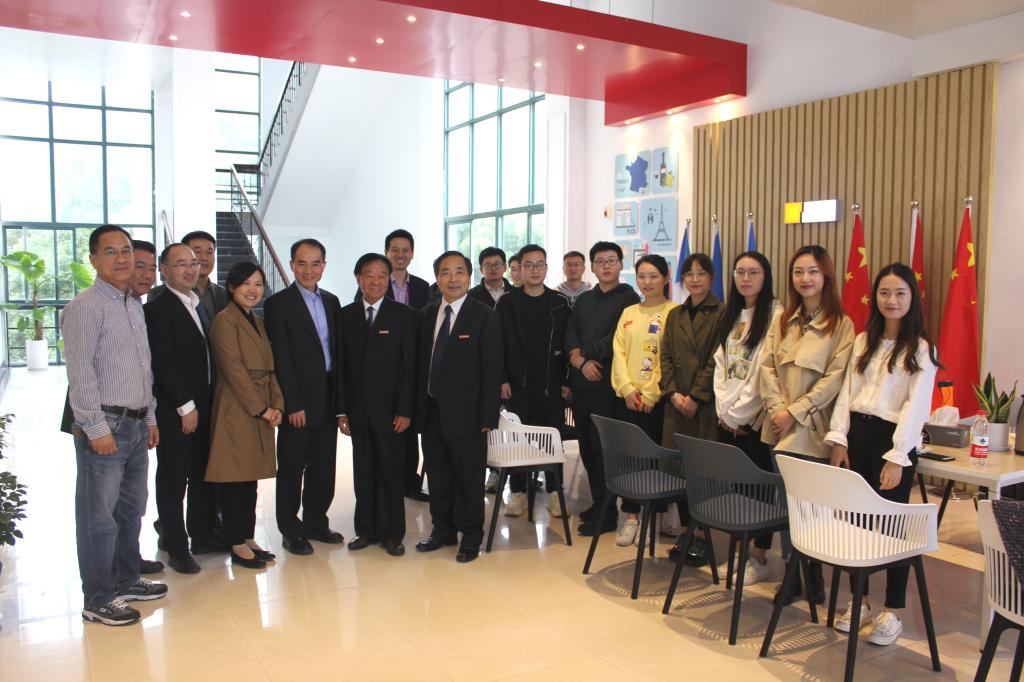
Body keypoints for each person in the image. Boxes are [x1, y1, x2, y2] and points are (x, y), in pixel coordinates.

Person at [825, 263, 939, 645]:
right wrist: (839, 439)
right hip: (856, 436)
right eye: (885, 293)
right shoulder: (863, 340)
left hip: (892, 442)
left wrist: (897, 455)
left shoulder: (921, 348)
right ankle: (860, 601)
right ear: (875, 297)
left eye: (900, 293)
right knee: (856, 523)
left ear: (912, 298)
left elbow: (915, 406)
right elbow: (846, 393)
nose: (891, 300)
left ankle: (893, 611)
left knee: (891, 529)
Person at [62, 224, 167, 626]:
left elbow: (144, 367)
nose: (122, 259)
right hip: (106, 423)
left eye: (126, 250)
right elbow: (80, 374)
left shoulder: (132, 304)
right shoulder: (85, 307)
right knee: (98, 517)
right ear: (93, 260)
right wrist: (95, 427)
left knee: (130, 509)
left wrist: (150, 416)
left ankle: (125, 579)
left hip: (136, 424)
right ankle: (99, 597)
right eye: (111, 252)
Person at [760, 244, 855, 603]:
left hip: (812, 428)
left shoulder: (841, 325)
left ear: (826, 275)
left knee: (812, 507)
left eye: (813, 271)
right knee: (787, 504)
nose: (805, 278)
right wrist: (777, 411)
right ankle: (793, 573)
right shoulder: (781, 320)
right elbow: (766, 368)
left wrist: (795, 412)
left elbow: (835, 379)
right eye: (798, 272)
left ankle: (811, 574)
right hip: (779, 426)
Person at [415, 251, 502, 564]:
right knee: (438, 474)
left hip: (469, 415)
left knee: (468, 477)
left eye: (459, 272)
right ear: (437, 278)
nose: (453, 279)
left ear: (469, 276)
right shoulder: (426, 315)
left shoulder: (484, 316)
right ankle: (443, 529)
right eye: (445, 272)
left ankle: (471, 534)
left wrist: (488, 415)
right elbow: (420, 366)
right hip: (431, 410)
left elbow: (492, 370)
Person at [263, 239, 345, 555]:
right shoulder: (278, 304)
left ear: (324, 265)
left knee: (323, 465)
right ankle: (290, 529)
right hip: (298, 399)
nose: (308, 270)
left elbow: (337, 353)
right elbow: (281, 357)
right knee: (292, 467)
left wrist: (340, 404)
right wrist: (292, 403)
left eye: (315, 263)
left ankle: (316, 522)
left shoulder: (332, 302)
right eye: (301, 263)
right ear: (292, 265)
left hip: (327, 395)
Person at [144, 244, 222, 575]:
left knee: (202, 472)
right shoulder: (158, 308)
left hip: (204, 404)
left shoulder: (196, 304)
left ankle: (202, 536)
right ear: (164, 270)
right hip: (177, 410)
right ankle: (176, 546)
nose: (191, 269)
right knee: (174, 479)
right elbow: (163, 362)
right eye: (181, 264)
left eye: (193, 263)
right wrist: (184, 406)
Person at [337, 253, 418, 557]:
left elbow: (410, 367)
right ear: (358, 278)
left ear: (389, 279)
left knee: (391, 473)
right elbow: (341, 367)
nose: (376, 281)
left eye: (382, 275)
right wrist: (341, 410)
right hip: (358, 412)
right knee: (364, 472)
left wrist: (406, 409)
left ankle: (392, 534)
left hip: (392, 413)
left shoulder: (404, 315)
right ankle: (366, 530)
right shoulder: (345, 316)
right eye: (369, 275)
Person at [206, 262, 283, 569]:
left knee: (250, 478)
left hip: (261, 405)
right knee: (233, 478)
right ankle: (236, 542)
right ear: (232, 287)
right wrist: (261, 408)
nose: (253, 290)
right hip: (237, 407)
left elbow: (270, 367)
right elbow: (234, 371)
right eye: (246, 284)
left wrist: (277, 403)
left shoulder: (257, 321)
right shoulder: (224, 321)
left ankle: (248, 536)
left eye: (258, 284)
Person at [713, 251, 781, 585]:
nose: (746, 278)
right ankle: (740, 552)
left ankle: (759, 557)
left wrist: (738, 414)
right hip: (728, 416)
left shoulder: (776, 316)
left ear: (765, 276)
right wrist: (723, 410)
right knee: (737, 489)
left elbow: (761, 373)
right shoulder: (731, 313)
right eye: (740, 272)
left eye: (753, 272)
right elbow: (720, 364)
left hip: (754, 420)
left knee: (759, 490)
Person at [567, 242, 640, 536]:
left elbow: (617, 338)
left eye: (611, 260)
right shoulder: (585, 299)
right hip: (581, 383)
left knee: (602, 449)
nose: (606, 266)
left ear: (621, 264)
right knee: (585, 446)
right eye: (600, 261)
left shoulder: (630, 299)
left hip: (607, 384)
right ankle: (599, 502)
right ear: (593, 267)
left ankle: (608, 512)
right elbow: (570, 330)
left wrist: (585, 354)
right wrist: (577, 358)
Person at [353, 229, 431, 502]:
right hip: (381, 371)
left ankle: (409, 481)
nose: (400, 254)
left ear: (412, 254)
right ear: (386, 252)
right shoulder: (370, 286)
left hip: (411, 364)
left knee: (408, 430)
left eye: (405, 250)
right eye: (395, 250)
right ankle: (387, 482)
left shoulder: (422, 287)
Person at [495, 245, 570, 518]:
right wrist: (502, 378)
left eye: (540, 264)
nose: (535, 270)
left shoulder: (560, 302)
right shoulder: (506, 302)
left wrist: (566, 380)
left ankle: (555, 492)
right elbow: (497, 344)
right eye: (529, 265)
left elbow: (568, 343)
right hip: (516, 386)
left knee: (552, 439)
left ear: (546, 268)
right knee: (517, 441)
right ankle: (518, 493)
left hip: (551, 385)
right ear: (519, 269)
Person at [660, 252, 724, 565]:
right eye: (689, 274)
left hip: (704, 406)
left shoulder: (723, 313)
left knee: (702, 473)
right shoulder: (675, 314)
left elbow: (717, 360)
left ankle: (702, 536)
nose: (695, 279)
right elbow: (665, 357)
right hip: (676, 405)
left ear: (711, 277)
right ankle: (686, 532)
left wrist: (695, 397)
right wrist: (673, 394)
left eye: (701, 273)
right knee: (679, 470)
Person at [610, 254, 678, 547]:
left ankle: (651, 520)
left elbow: (669, 357)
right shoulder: (628, 312)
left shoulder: (674, 312)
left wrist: (651, 393)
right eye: (641, 276)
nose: (647, 282)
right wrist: (627, 389)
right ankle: (631, 517)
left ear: (665, 277)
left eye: (653, 276)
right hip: (627, 399)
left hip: (655, 401)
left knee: (653, 462)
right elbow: (618, 352)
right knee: (629, 459)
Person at [150, 231, 228, 321]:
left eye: (209, 252)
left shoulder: (224, 294)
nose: (204, 258)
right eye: (197, 251)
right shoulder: (158, 294)